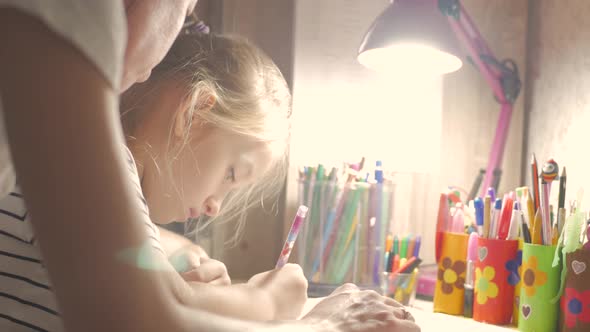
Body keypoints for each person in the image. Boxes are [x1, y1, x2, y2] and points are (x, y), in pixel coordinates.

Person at [0, 1, 420, 331]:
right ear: (195, 112)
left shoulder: (48, 128)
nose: (217, 206)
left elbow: (151, 291)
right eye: (232, 174)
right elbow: (156, 313)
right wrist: (309, 318)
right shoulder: (80, 128)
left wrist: (168, 248)